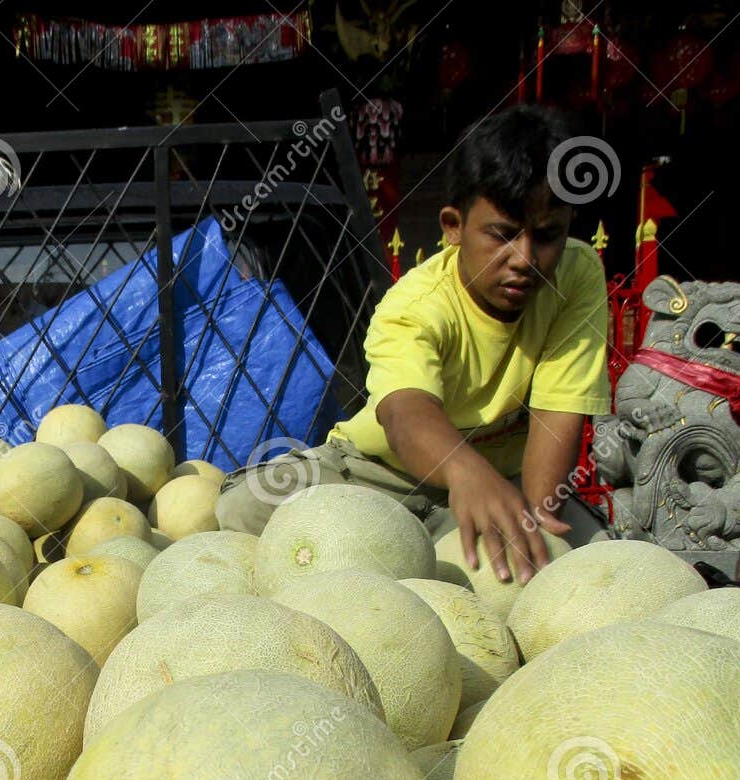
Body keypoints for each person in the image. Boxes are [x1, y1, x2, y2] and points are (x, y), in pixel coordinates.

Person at [216, 105, 613, 583]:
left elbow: (559, 412)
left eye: (547, 237)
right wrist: (466, 473)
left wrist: (537, 519)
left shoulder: (578, 273)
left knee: (588, 561)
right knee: (242, 508)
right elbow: (406, 413)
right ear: (452, 226)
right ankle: (405, 540)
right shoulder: (414, 305)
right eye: (503, 236)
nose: (524, 259)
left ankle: (417, 546)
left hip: (500, 483)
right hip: (382, 473)